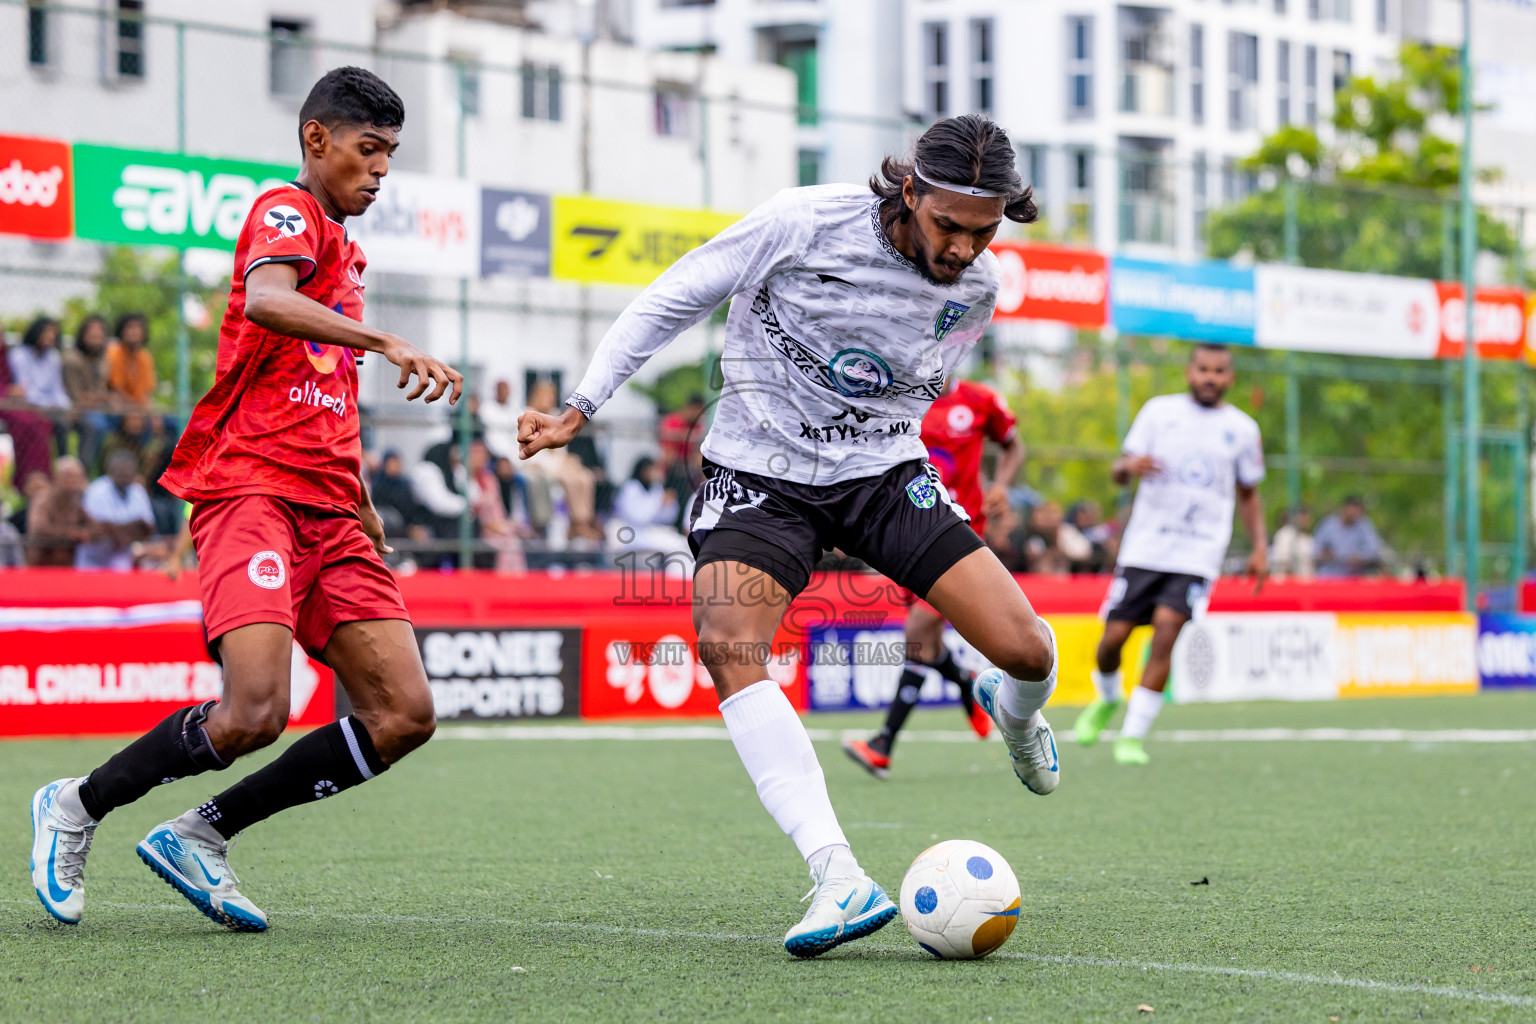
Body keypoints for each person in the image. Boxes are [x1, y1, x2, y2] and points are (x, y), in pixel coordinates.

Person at [516, 114, 1059, 958]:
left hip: (882, 476)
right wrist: (582, 406)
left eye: (983, 232)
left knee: (1027, 650)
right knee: (729, 642)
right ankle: (837, 875)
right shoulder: (803, 221)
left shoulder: (978, 289)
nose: (962, 248)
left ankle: (1013, 717)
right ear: (909, 191)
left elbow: (917, 394)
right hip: (759, 474)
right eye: (948, 224)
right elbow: (674, 297)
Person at [28, 67, 462, 932]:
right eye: (368, 149)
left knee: (404, 714)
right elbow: (267, 302)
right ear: (317, 140)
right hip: (252, 491)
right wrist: (385, 339)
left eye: (390, 153)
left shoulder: (349, 256)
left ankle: (202, 834)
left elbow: (322, 391)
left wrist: (362, 498)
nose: (381, 169)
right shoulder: (285, 210)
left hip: (332, 511)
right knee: (256, 712)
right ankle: (76, 803)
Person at [1074, 344, 1268, 766]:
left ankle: (1132, 737)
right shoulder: (1159, 412)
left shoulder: (1242, 429)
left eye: (1219, 371)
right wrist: (1128, 467)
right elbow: (1118, 470)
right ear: (1189, 372)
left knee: (1166, 631)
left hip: (1198, 553)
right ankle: (1107, 699)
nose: (1210, 378)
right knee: (1113, 640)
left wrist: (1259, 546)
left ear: (1230, 378)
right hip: (1146, 547)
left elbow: (1249, 493)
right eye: (1203, 369)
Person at [843, 376, 1025, 777]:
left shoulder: (980, 400)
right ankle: (968, 684)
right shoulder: (896, 394)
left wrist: (1001, 486)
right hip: (908, 527)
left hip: (960, 530)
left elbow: (1014, 444)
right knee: (927, 643)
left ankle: (883, 744)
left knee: (917, 630)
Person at [76, 450, 155, 571]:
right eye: (121, 470)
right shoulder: (97, 490)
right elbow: (101, 529)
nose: (125, 474)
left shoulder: (138, 491)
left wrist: (121, 531)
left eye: (128, 470)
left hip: (123, 558)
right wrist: (129, 529)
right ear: (110, 471)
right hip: (94, 561)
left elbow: (147, 527)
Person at [63, 315, 115, 471]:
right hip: (75, 410)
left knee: (134, 422)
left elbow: (102, 392)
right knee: (96, 424)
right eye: (92, 336)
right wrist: (99, 398)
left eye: (100, 337)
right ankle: (83, 471)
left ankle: (112, 472)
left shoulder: (102, 359)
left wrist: (99, 398)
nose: (96, 341)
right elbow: (76, 397)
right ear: (83, 336)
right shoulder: (72, 359)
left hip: (101, 409)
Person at [611, 455, 686, 555]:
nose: (653, 473)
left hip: (652, 531)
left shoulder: (656, 487)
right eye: (650, 469)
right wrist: (659, 502)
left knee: (682, 542)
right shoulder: (631, 488)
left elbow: (668, 518)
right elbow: (639, 517)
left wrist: (670, 504)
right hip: (632, 533)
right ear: (642, 470)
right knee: (675, 545)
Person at [24, 458, 90, 567]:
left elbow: (95, 527)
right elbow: (40, 528)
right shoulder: (42, 499)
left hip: (67, 566)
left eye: (77, 477)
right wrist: (71, 533)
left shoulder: (76, 501)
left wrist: (85, 533)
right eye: (69, 476)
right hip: (41, 564)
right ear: (57, 476)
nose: (73, 481)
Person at [1313, 497, 1382, 577]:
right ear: (1343, 508)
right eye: (1350, 510)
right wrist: (1325, 554)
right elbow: (1314, 549)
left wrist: (1359, 557)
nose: (1352, 513)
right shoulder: (1328, 524)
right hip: (1327, 577)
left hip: (1353, 578)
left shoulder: (1364, 526)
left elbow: (1374, 551)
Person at [105, 314, 157, 409]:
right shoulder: (113, 353)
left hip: (139, 407)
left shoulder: (145, 357)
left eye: (138, 328)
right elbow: (116, 389)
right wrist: (135, 409)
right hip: (118, 406)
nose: (135, 332)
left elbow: (147, 391)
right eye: (130, 327)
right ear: (122, 331)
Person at [1271, 505, 1315, 579]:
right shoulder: (1284, 534)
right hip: (1287, 581)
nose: (1304, 520)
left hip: (1304, 581)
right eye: (1301, 516)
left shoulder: (1308, 539)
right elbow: (1282, 562)